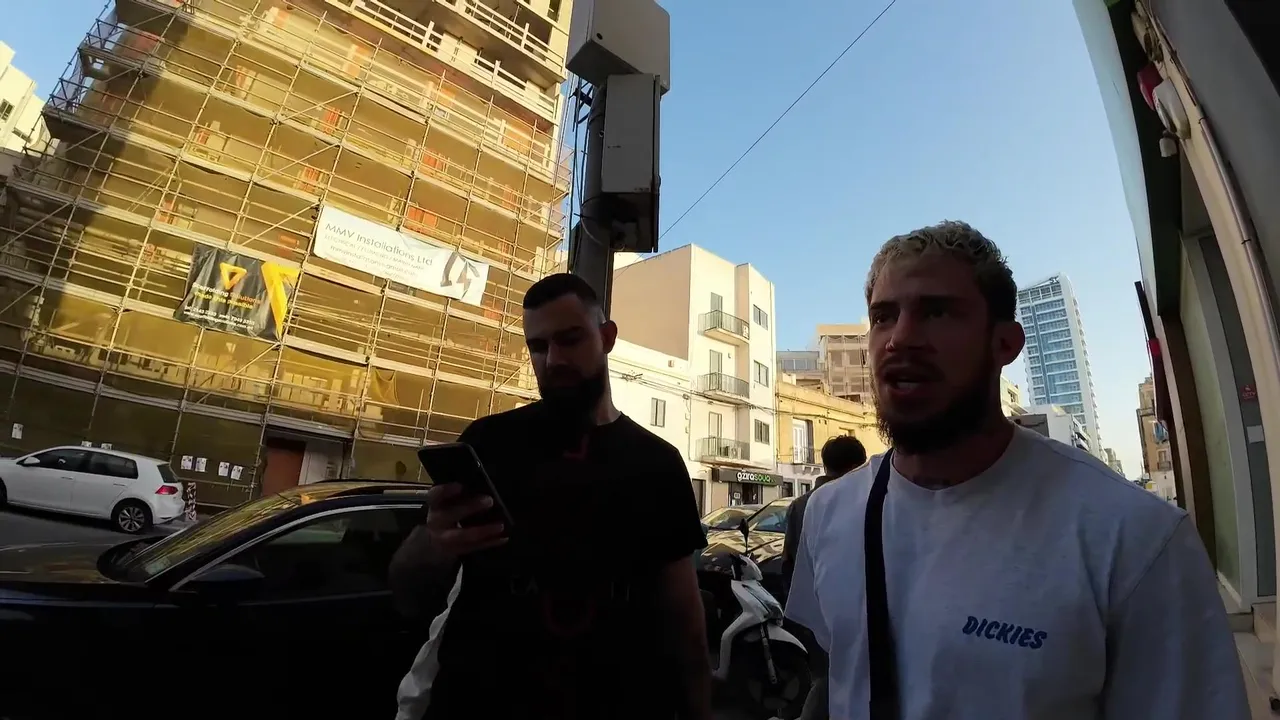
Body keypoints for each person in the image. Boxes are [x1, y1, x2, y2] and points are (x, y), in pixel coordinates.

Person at [784, 221, 1250, 720]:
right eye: (883, 316)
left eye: (937, 312)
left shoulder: (1134, 536)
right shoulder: (828, 514)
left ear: (1004, 343)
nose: (900, 339)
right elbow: (838, 677)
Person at [389, 272, 712, 720]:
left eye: (570, 339)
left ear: (607, 337)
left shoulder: (657, 464)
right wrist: (434, 543)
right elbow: (408, 591)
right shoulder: (487, 443)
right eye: (538, 346)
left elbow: (685, 626)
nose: (553, 359)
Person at [781, 434, 866, 720]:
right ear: (856, 466)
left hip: (812, 615)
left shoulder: (800, 505)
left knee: (825, 678)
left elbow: (789, 561)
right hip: (855, 618)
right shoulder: (864, 499)